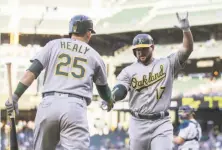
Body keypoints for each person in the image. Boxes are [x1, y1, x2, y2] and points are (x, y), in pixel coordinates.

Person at [5, 14, 114, 150]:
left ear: (71, 31)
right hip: (75, 107)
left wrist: (15, 96)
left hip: (49, 104)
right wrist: (109, 101)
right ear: (88, 33)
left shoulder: (53, 45)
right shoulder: (95, 55)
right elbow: (104, 90)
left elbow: (31, 73)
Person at [111, 12, 194, 150]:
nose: (140, 53)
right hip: (137, 123)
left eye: (144, 49)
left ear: (152, 48)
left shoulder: (167, 64)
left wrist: (186, 30)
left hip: (161, 122)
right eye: (137, 50)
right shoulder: (129, 71)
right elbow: (120, 88)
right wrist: (112, 97)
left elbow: (187, 49)